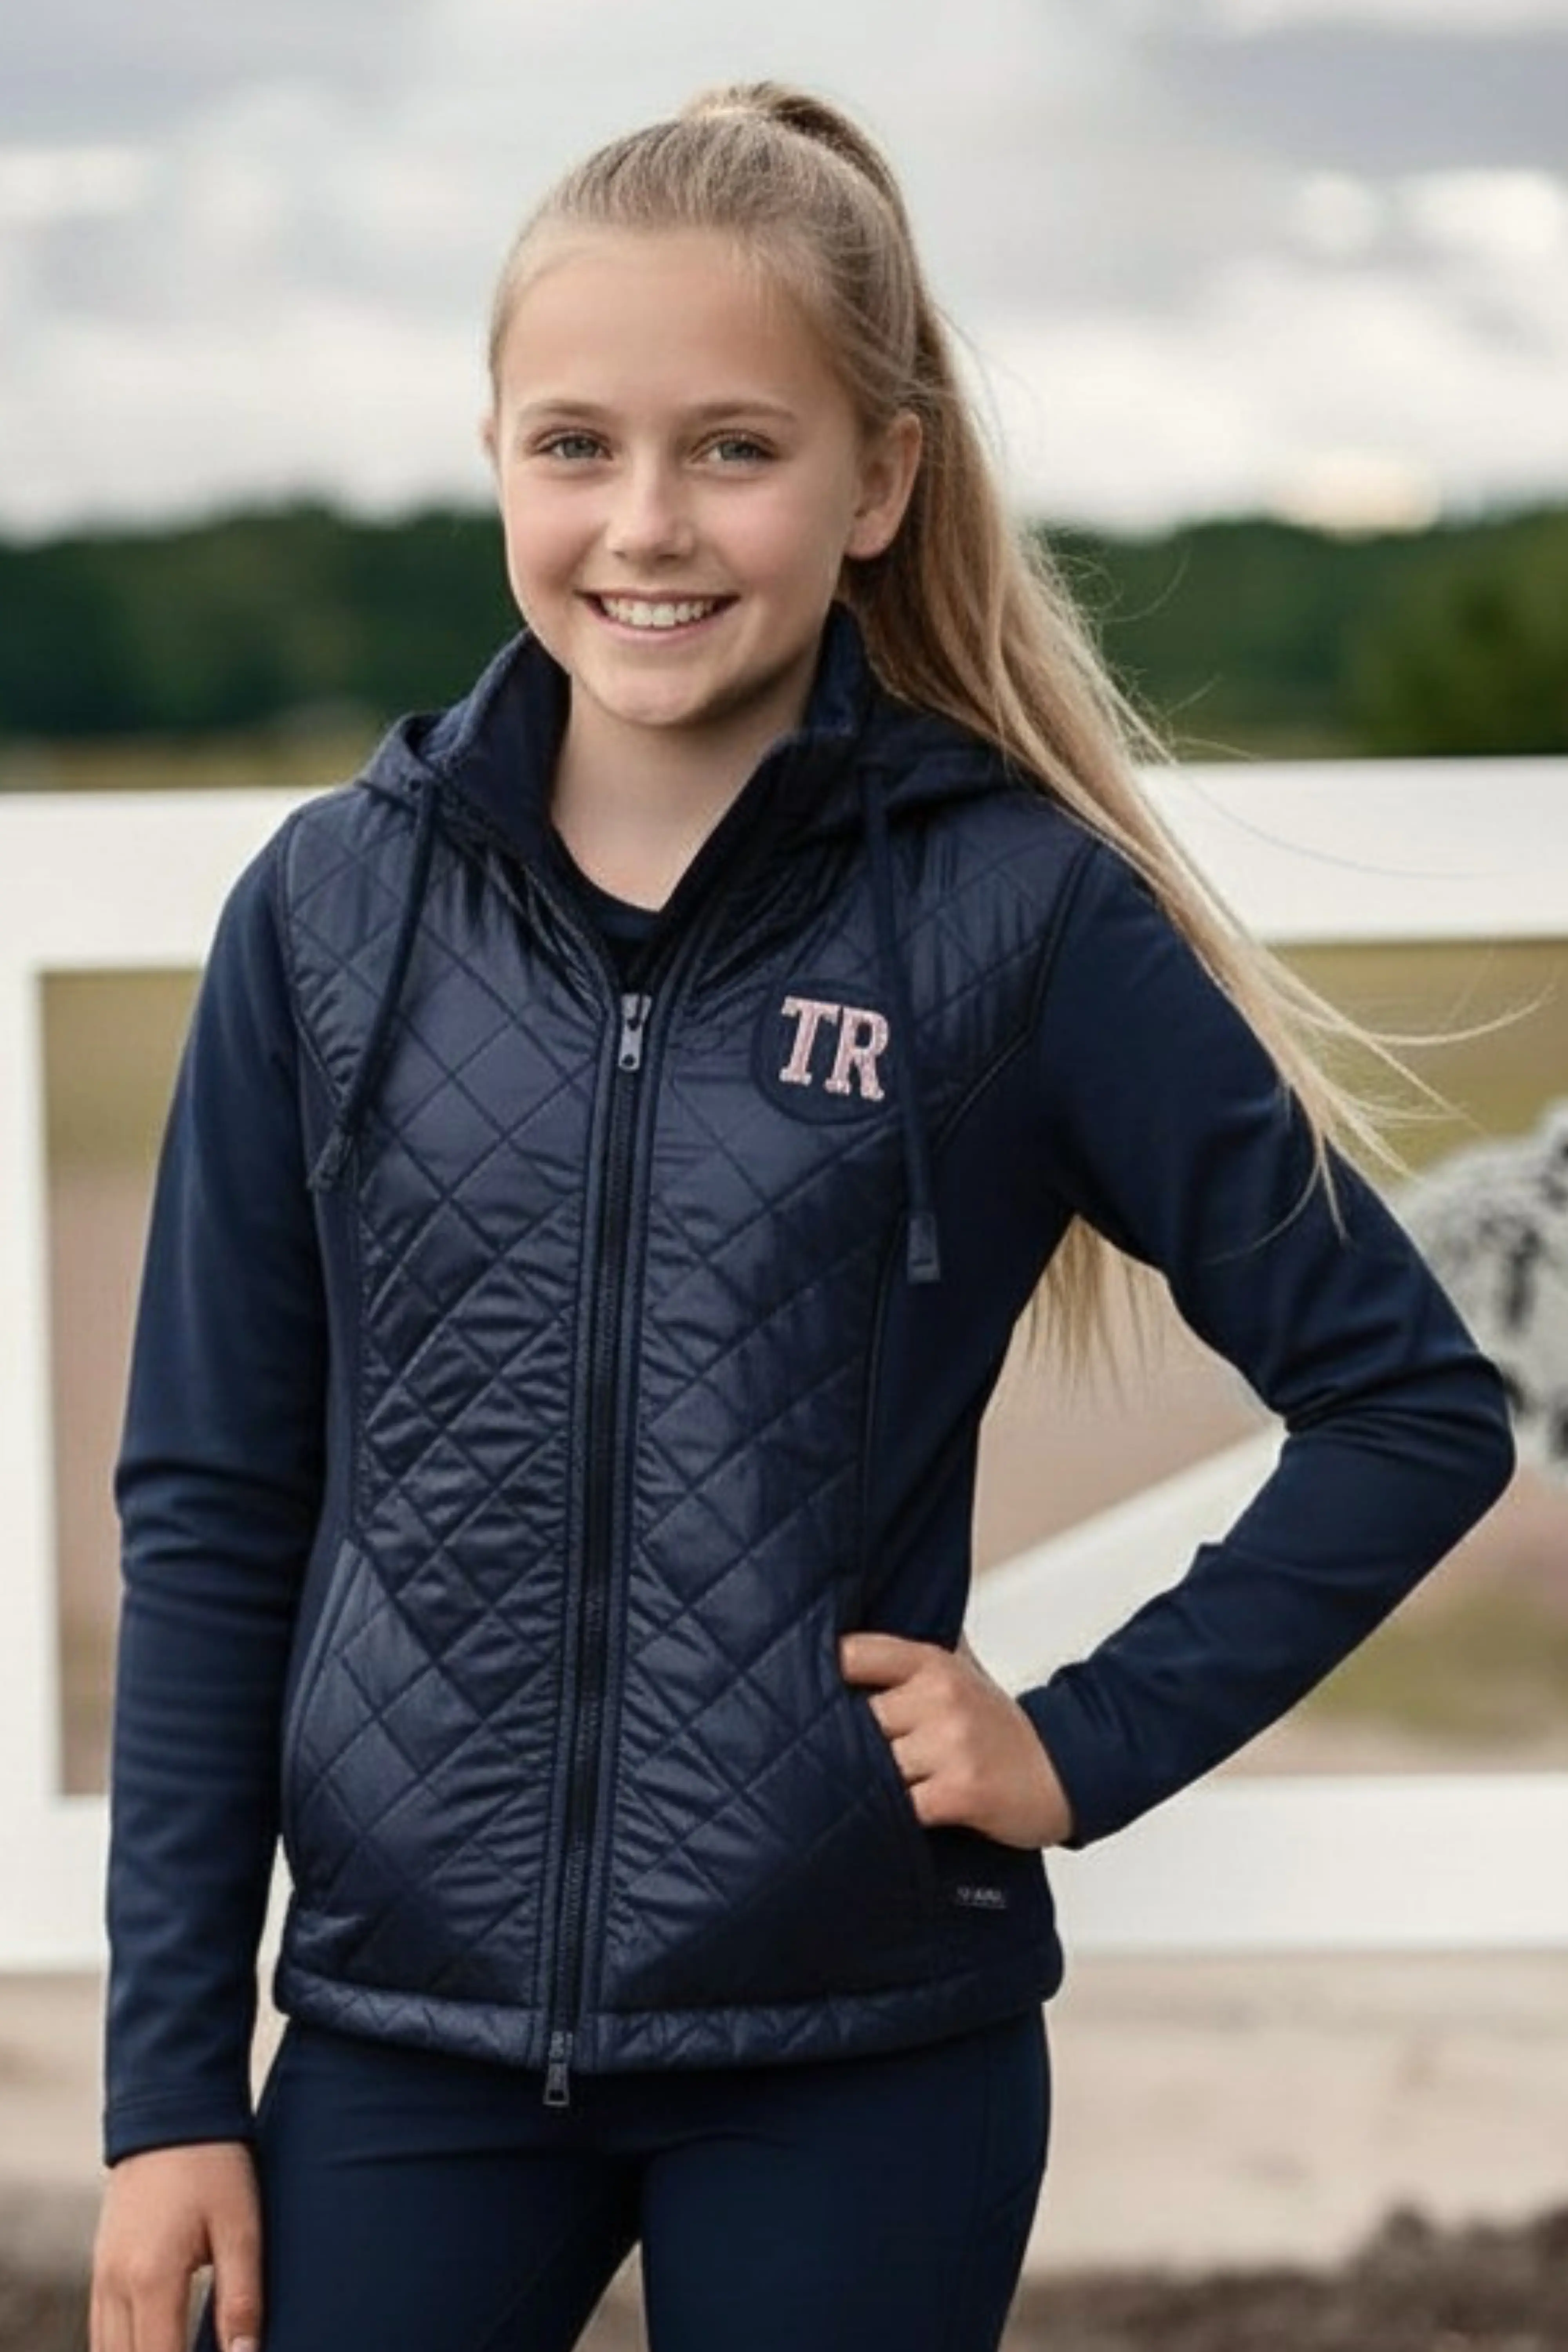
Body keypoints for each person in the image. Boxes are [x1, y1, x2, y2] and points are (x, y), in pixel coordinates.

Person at [89, 80, 1514, 2352]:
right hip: (400, 2044)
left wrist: (1086, 1741)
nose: (646, 521)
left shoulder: (1023, 924)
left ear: (879, 483)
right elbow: (214, 1504)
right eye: (576, 444)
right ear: (495, 457)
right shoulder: (331, 913)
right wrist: (169, 2090)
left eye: (734, 448)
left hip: (863, 2057)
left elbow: (1410, 1406)